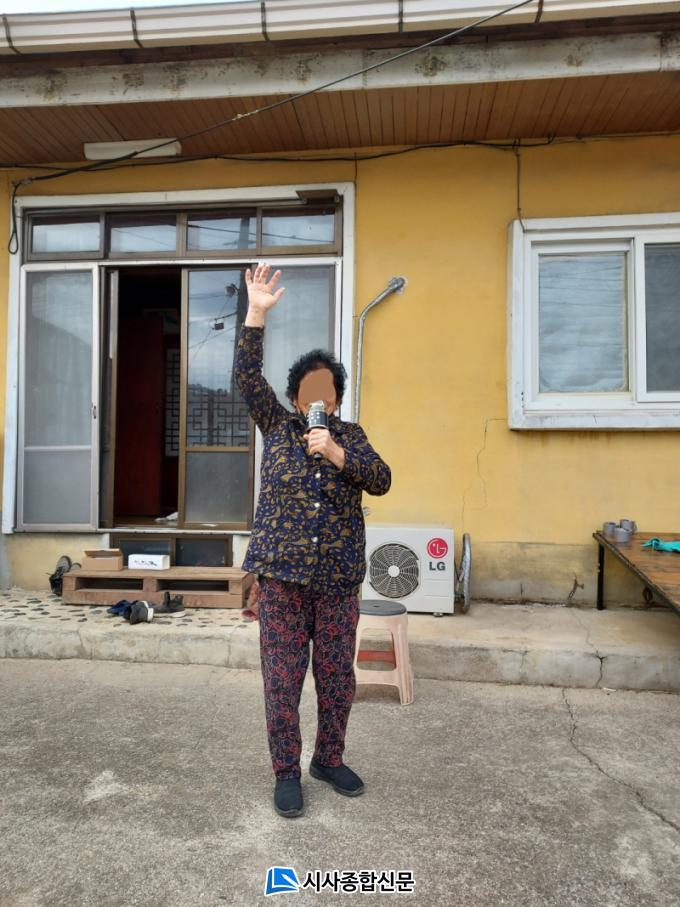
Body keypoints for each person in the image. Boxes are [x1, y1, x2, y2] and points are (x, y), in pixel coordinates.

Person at [234, 262, 391, 818]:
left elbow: (382, 480)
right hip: (282, 579)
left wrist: (337, 452)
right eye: (309, 389)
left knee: (336, 678)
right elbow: (247, 378)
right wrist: (255, 313)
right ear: (297, 398)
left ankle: (328, 759)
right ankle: (286, 770)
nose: (318, 396)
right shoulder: (277, 427)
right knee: (281, 680)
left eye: (327, 389)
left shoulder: (352, 437)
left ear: (337, 400)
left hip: (338, 581)